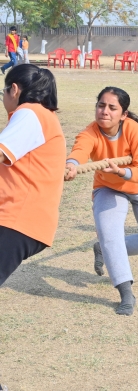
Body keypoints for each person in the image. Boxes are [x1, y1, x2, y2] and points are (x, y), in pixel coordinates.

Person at [65, 87, 138, 316]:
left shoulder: (133, 129)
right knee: (110, 234)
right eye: (101, 105)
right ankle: (126, 293)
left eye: (112, 108)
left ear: (123, 114)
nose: (104, 111)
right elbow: (80, 151)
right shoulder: (90, 132)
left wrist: (122, 172)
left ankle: (104, 248)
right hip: (108, 187)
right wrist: (71, 164)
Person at [0, 65, 65, 286]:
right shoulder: (42, 115)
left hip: (17, 218)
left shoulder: (30, 112)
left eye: (3, 92)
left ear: (14, 89)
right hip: (18, 219)